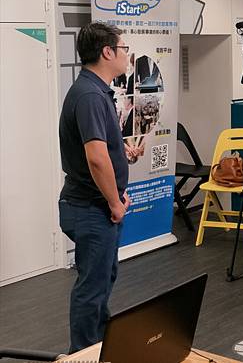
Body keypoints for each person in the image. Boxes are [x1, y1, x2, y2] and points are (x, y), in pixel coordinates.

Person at [58, 22, 131, 353]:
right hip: (89, 208)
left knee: (102, 280)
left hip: (96, 205)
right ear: (107, 52)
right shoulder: (89, 95)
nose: (127, 54)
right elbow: (96, 159)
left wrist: (123, 153)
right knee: (92, 288)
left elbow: (103, 150)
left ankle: (100, 347)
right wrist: (115, 202)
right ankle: (84, 354)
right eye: (124, 48)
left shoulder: (96, 91)